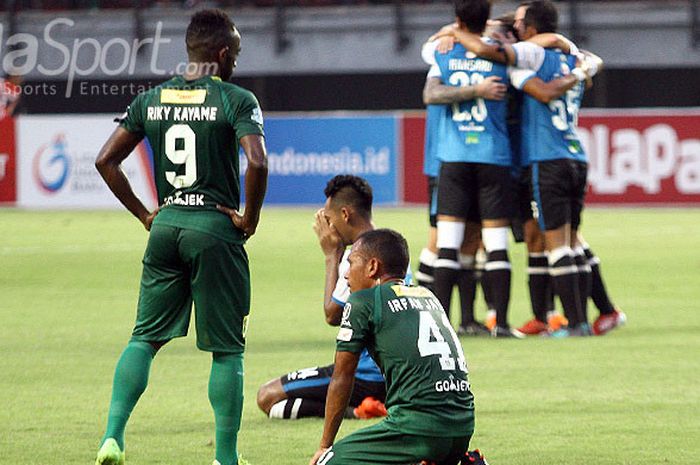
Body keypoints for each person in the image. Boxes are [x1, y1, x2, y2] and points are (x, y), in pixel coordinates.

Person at [93, 9, 268, 465]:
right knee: (227, 351)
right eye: (237, 55)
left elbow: (105, 160)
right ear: (223, 54)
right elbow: (259, 162)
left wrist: (145, 215)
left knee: (143, 339)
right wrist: (248, 218)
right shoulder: (235, 98)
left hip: (166, 227)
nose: (237, 64)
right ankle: (226, 457)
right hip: (213, 230)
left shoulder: (151, 99)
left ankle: (113, 438)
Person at [309, 229, 475, 465]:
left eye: (351, 263)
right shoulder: (427, 296)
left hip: (417, 427)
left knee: (327, 463)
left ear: (372, 267)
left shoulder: (362, 302)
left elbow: (342, 377)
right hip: (463, 426)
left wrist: (324, 447)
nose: (346, 275)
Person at [256, 175, 409, 420]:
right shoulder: (390, 251)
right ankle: (370, 406)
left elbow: (332, 314)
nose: (327, 225)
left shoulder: (358, 260)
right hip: (396, 376)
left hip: (363, 375)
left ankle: (357, 412)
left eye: (329, 218)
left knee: (267, 397)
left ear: (345, 215)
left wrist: (332, 255)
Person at [418, 60, 507, 336]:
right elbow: (431, 93)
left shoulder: (460, 56)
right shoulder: (443, 55)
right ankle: (421, 314)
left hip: (465, 160)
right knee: (439, 242)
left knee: (471, 242)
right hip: (444, 163)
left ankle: (467, 319)